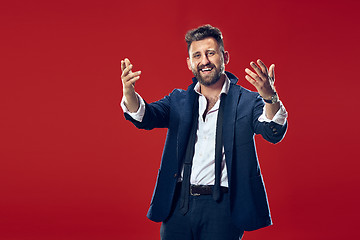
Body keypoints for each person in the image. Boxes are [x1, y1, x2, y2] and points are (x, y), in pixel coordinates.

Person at [120, 25, 288, 240]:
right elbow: (145, 116)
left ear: (224, 56)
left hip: (224, 207)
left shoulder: (248, 100)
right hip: (178, 205)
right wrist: (129, 93)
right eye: (197, 55)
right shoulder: (178, 99)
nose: (204, 61)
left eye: (211, 53)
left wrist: (270, 98)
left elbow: (272, 131)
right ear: (189, 63)